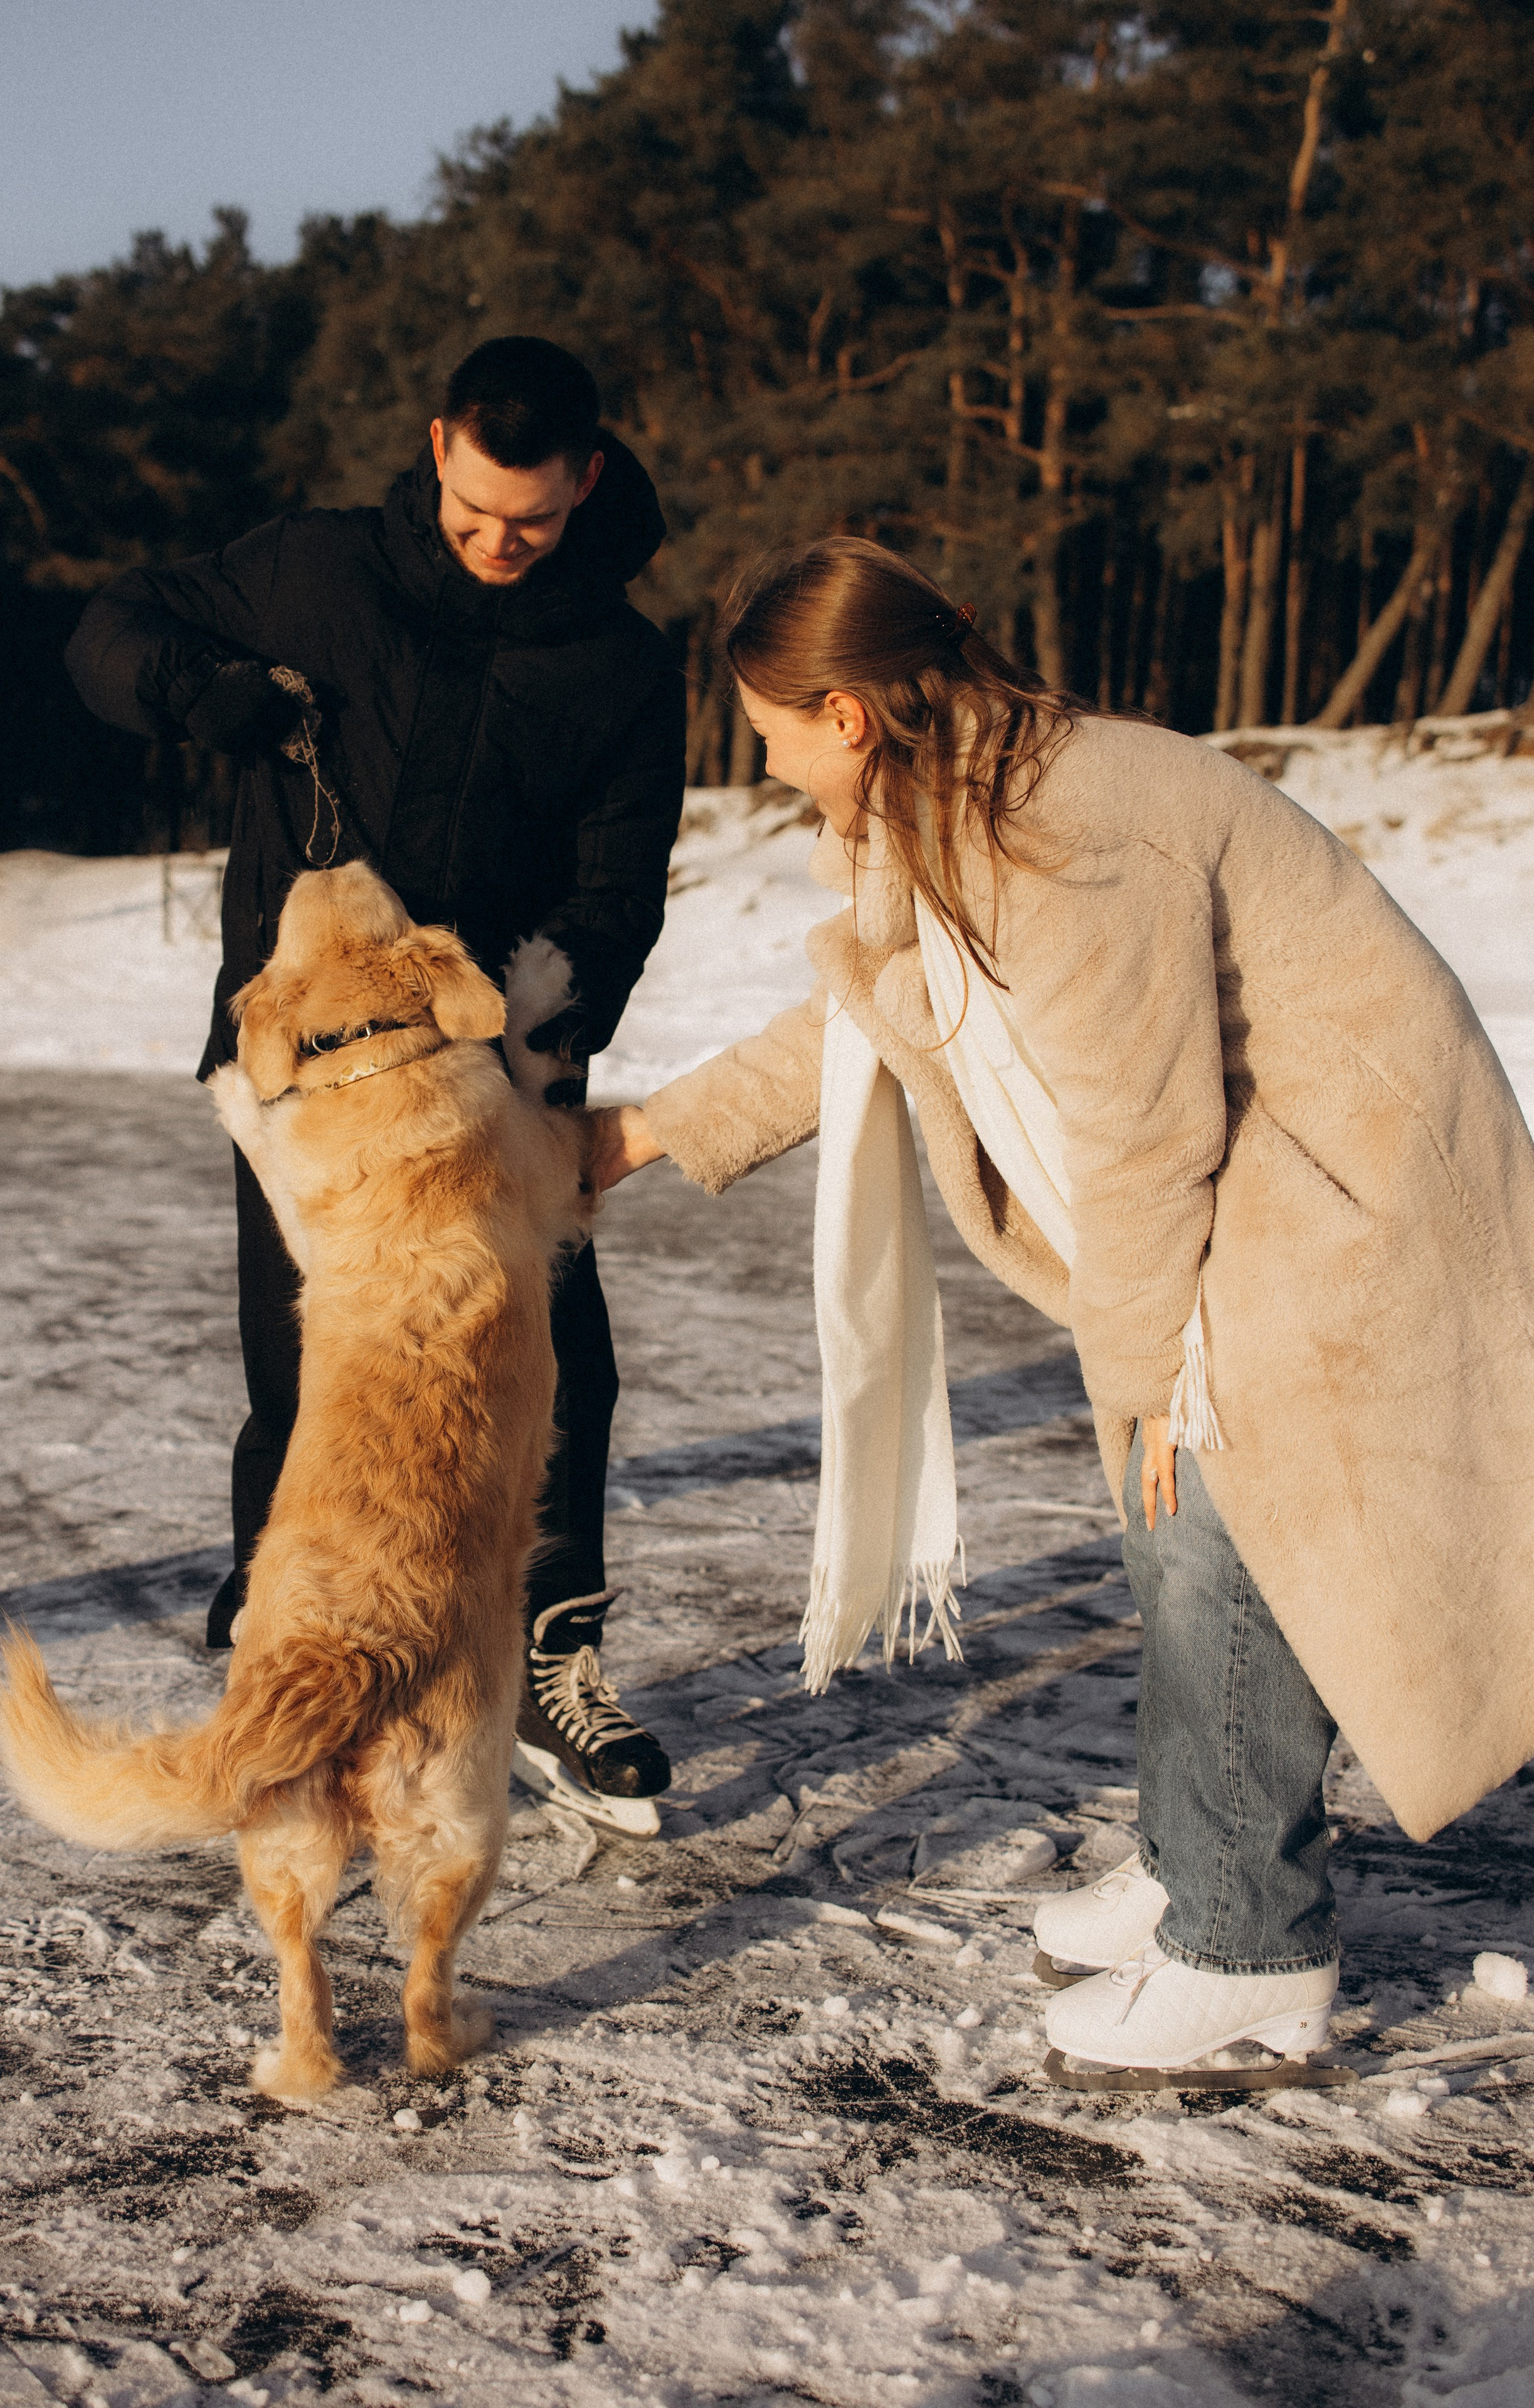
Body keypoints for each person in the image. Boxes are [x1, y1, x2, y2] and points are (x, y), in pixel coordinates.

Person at [591, 534, 1534, 2078]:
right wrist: (639, 1138)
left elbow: (1147, 1134)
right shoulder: (956, 800)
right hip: (1262, 1170)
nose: (759, 759)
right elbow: (863, 1016)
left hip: (1342, 1187)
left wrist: (1149, 1370)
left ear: (842, 712)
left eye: (765, 726)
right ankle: (1188, 1861)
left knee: (1219, 1528)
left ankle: (1246, 1949)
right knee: (1173, 1529)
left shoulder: (1064, 833)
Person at [66, 335, 685, 1820]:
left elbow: (619, 890)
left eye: (528, 522)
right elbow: (108, 628)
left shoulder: (617, 659)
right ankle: (279, 1651)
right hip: (307, 1065)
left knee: (551, 1372)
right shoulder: (316, 573)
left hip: (492, 1070)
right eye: (473, 513)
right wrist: (195, 692)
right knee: (307, 1366)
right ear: (435, 450)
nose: (495, 544)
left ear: (584, 482)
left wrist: (538, 1026)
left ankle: (547, 1657)